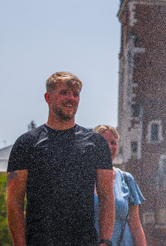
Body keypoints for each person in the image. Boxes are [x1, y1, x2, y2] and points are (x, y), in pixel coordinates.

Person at [6, 72, 115, 246]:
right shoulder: (26, 144)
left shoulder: (96, 143)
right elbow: (14, 201)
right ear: (48, 97)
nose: (71, 98)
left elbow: (107, 197)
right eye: (64, 92)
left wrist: (105, 241)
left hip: (85, 241)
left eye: (75, 94)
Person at [93, 125, 147, 246]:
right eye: (104, 142)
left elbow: (136, 227)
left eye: (113, 142)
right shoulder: (82, 179)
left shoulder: (126, 179)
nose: (109, 147)